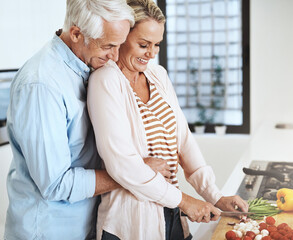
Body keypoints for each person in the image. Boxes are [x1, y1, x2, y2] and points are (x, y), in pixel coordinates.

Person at [4, 0, 170, 239]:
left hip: (88, 225)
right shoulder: (42, 85)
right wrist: (134, 172)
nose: (115, 56)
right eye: (108, 46)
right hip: (49, 231)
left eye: (120, 45)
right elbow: (56, 184)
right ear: (76, 33)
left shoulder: (88, 67)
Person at [87, 0, 249, 239]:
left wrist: (215, 196)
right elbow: (123, 165)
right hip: (131, 223)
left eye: (157, 45)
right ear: (123, 36)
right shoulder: (105, 81)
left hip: (171, 213)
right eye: (143, 44)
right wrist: (185, 201)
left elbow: (183, 142)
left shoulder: (158, 75)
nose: (151, 54)